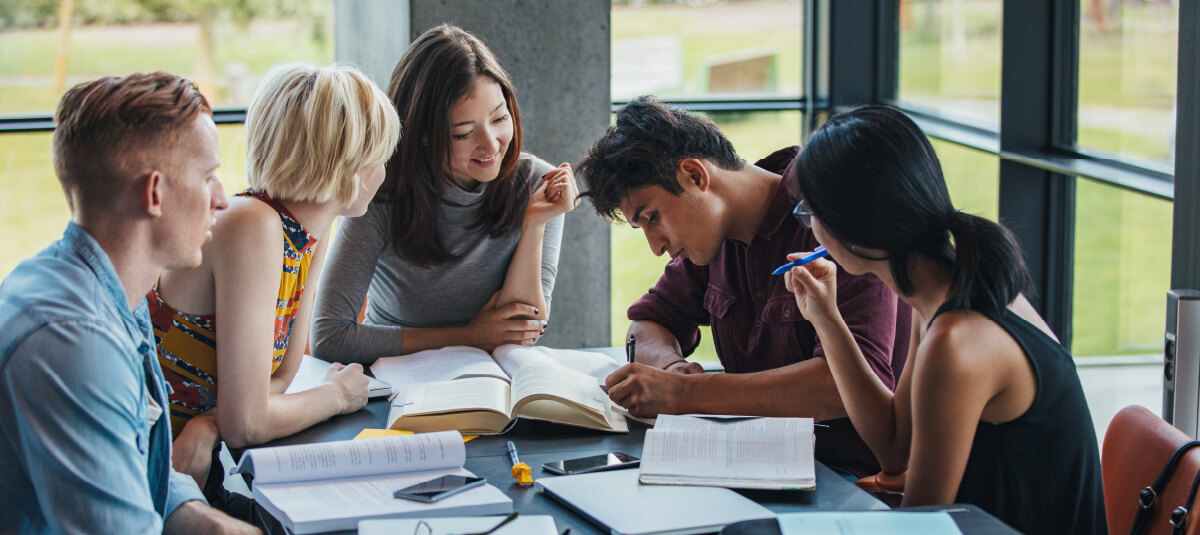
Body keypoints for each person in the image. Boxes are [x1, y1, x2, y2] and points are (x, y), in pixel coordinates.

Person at [781, 105, 1105, 533]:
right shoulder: (949, 289)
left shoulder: (956, 342)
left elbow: (920, 525)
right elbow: (896, 448)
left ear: (850, 228)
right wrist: (826, 318)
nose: (810, 227)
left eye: (810, 213)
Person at [577, 96, 910, 478]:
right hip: (749, 463)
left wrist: (684, 395)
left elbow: (845, 386)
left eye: (653, 218)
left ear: (695, 175)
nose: (656, 247)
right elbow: (649, 321)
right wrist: (672, 369)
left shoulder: (829, 212)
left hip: (850, 480)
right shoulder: (711, 243)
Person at [0, 72, 257, 533]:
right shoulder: (74, 340)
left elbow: (135, 462)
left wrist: (208, 523)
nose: (222, 199)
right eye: (208, 177)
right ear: (154, 193)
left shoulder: (110, 292)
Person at [150, 63, 400, 498]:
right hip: (149, 468)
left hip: (192, 465)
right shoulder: (252, 225)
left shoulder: (308, 234)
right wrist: (336, 396)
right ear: (353, 165)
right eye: (381, 154)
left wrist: (210, 424)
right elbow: (247, 423)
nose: (384, 170)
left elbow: (282, 377)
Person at [311, 24, 578, 363]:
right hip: (396, 381)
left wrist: (535, 225)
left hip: (487, 381)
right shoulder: (380, 191)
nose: (490, 144)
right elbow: (329, 336)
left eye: (499, 118)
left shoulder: (536, 183)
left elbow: (525, 328)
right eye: (463, 134)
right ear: (423, 134)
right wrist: (470, 335)